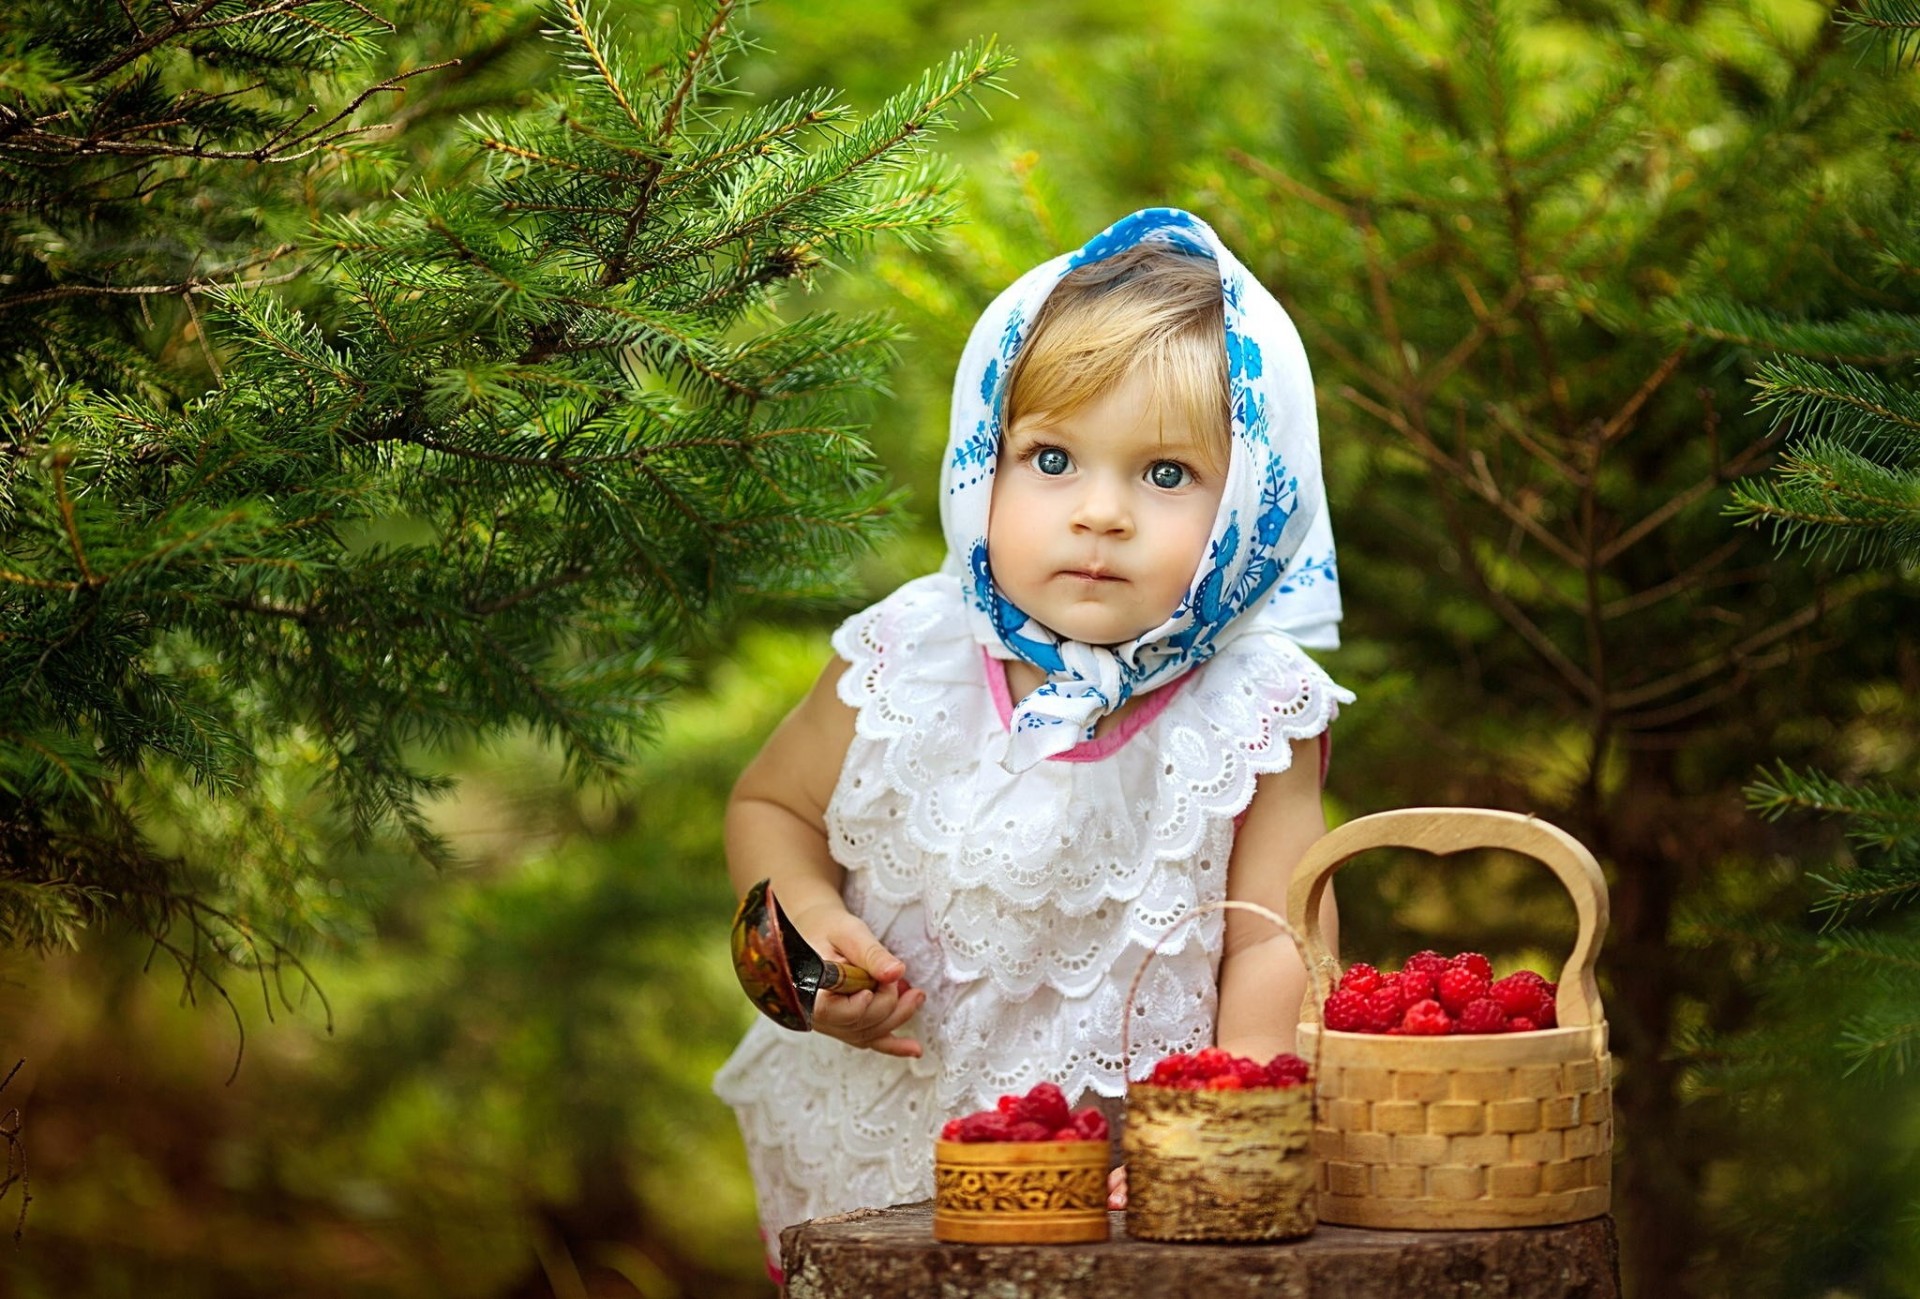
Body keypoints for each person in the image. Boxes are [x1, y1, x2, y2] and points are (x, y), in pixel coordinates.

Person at [712, 208, 1352, 1283]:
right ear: (982, 464)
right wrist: (811, 947)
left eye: (1165, 476)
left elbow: (1280, 941)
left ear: (1251, 502)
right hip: (874, 1160)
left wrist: (1219, 1125)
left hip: (1120, 1195)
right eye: (1051, 457)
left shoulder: (1252, 702)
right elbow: (770, 809)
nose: (1100, 514)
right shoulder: (909, 649)